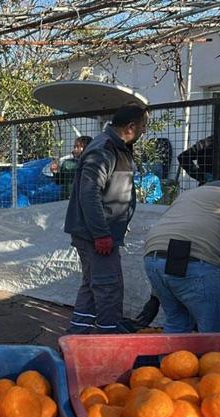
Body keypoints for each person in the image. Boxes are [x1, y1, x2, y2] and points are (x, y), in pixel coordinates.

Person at [141, 172, 220, 333]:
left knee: (177, 324)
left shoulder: (195, 192)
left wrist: (155, 296)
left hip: (153, 258)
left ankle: (169, 358)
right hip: (198, 262)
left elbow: (172, 240)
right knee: (213, 334)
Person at [64, 104, 149, 334]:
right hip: (96, 236)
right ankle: (108, 342)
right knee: (108, 288)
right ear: (131, 127)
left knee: (93, 287)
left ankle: (75, 340)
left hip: (99, 233)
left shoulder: (116, 147)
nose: (143, 132)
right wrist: (101, 234)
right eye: (143, 126)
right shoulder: (104, 148)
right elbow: (89, 193)